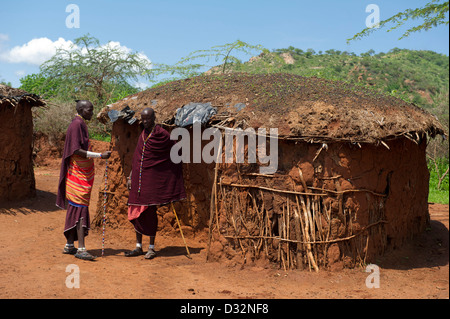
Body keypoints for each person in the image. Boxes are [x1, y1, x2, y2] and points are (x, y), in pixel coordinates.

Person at [125, 107, 186, 259]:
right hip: (138, 179)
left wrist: (165, 169)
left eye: (148, 119)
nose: (145, 121)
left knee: (150, 212)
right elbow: (137, 158)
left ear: (154, 118)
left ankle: (151, 247)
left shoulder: (161, 134)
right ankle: (138, 246)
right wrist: (130, 176)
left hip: (151, 181)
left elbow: (175, 151)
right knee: (136, 211)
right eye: (143, 119)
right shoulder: (143, 134)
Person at [56, 100, 111, 261]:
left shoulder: (79, 123)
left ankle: (69, 245)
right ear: (81, 109)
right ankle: (81, 249)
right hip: (77, 175)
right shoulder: (76, 124)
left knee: (75, 207)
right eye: (90, 110)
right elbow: (76, 150)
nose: (92, 113)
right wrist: (99, 155)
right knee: (79, 208)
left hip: (80, 173)